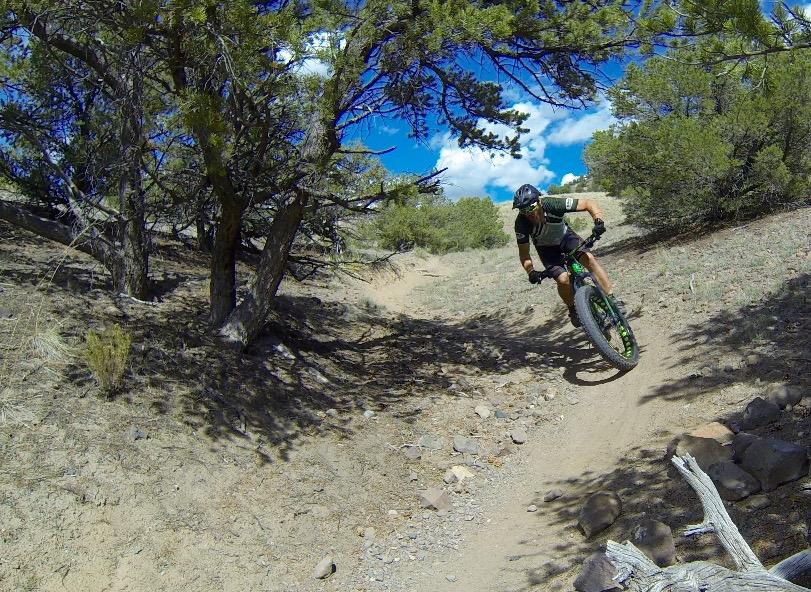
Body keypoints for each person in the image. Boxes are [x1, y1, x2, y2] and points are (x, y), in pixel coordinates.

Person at [512, 183, 625, 327]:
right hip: (546, 249)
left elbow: (588, 203)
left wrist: (598, 221)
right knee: (562, 279)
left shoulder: (552, 204)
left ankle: (612, 298)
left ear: (539, 202)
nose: (528, 213)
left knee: (588, 259)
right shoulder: (521, 223)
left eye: (530, 208)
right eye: (523, 211)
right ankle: (573, 309)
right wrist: (530, 271)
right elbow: (524, 252)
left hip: (566, 238)